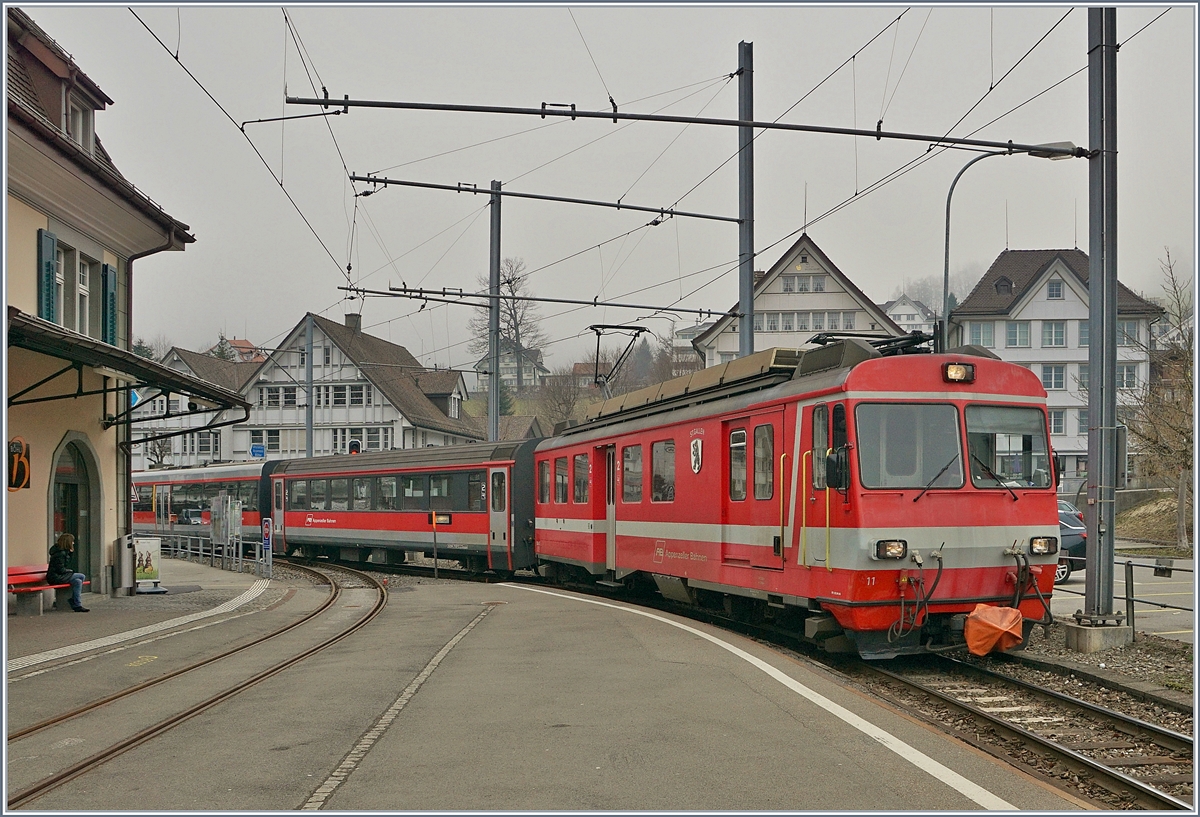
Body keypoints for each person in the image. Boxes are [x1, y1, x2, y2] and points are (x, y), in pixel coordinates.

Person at [48, 533, 89, 613]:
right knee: (81, 576)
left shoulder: (63, 552)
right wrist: (70, 571)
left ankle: (77, 605)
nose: (73, 543)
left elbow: (65, 565)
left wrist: (70, 553)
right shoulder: (59, 554)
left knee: (78, 581)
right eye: (72, 541)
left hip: (59, 576)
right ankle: (74, 602)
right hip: (55, 577)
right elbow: (61, 570)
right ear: (68, 542)